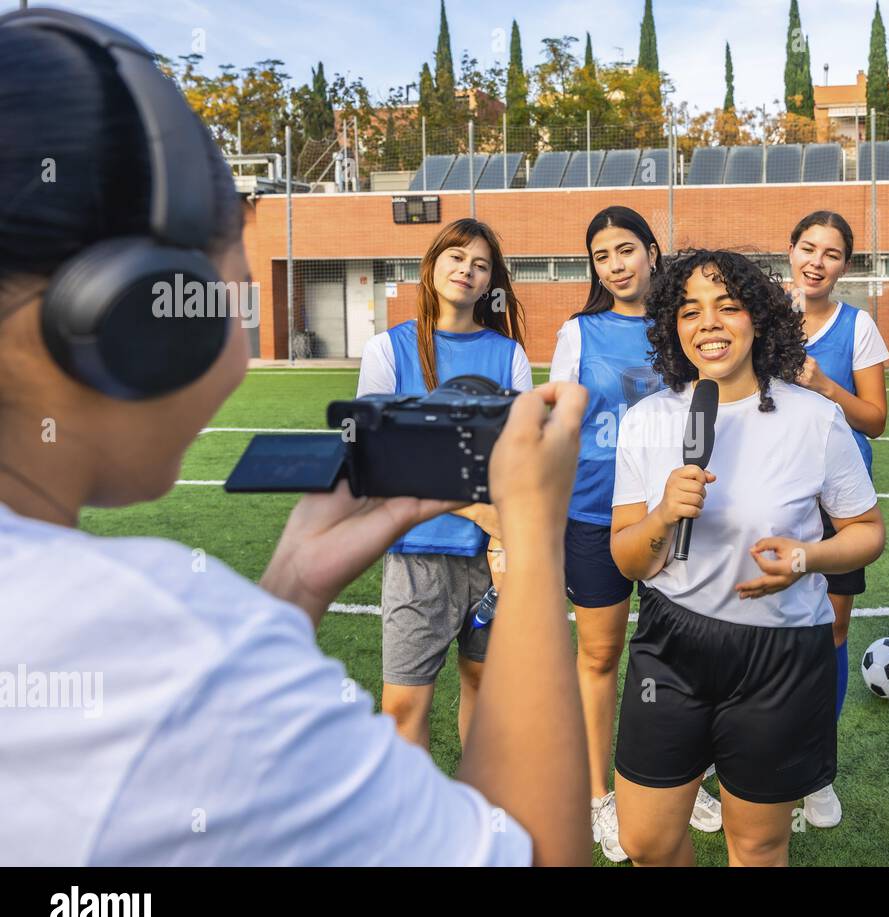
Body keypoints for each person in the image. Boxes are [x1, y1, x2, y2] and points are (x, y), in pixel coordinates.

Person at [0, 8, 590, 865]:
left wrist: (282, 601)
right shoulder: (160, 644)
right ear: (124, 307)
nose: (238, 353)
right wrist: (536, 542)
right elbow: (532, 855)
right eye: (220, 303)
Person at [609, 249, 885, 866]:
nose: (708, 324)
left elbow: (867, 532)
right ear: (671, 327)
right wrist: (660, 516)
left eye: (727, 307)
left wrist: (808, 558)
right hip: (670, 644)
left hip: (780, 654)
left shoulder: (814, 417)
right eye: (690, 311)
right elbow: (628, 561)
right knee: (644, 841)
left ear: (757, 318)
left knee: (757, 844)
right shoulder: (647, 420)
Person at [549, 207, 720, 862]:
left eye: (626, 249)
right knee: (600, 657)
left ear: (653, 251)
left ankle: (684, 778)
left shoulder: (683, 324)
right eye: (602, 256)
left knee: (681, 657)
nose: (616, 265)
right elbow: (557, 426)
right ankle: (601, 796)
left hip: (673, 514)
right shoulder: (578, 332)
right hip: (595, 515)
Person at [356, 218, 533, 751]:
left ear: (489, 284)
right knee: (403, 705)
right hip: (418, 557)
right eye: (457, 257)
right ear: (431, 265)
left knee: (484, 687)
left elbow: (520, 461)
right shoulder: (388, 349)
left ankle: (479, 812)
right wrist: (477, 511)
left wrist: (502, 534)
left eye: (480, 265)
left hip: (493, 559)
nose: (467, 271)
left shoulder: (509, 355)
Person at [786, 210, 889, 828]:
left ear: (844, 265)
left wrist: (825, 383)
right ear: (791, 251)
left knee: (830, 632)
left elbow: (876, 420)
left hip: (838, 502)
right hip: (771, 495)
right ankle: (751, 749)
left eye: (830, 253)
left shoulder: (858, 327)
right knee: (760, 624)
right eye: (807, 247)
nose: (816, 261)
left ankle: (817, 772)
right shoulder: (761, 310)